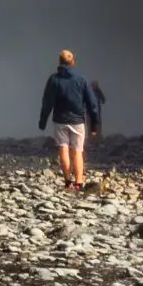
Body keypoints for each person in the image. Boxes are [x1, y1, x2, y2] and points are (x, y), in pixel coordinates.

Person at [39, 50, 105, 190]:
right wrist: (94, 124)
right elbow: (92, 103)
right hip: (77, 120)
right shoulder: (81, 79)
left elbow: (47, 102)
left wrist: (43, 121)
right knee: (77, 151)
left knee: (63, 149)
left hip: (59, 120)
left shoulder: (53, 79)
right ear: (73, 61)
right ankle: (79, 183)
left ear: (59, 61)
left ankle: (68, 181)